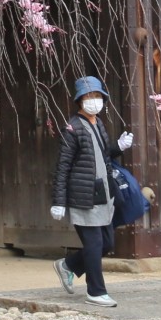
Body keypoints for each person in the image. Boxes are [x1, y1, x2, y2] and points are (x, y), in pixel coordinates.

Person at [49, 74, 134, 307]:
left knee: (107, 243)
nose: (94, 100)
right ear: (79, 100)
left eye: (97, 96)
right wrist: (58, 201)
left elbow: (102, 154)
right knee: (95, 244)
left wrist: (119, 146)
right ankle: (95, 292)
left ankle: (69, 265)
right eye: (88, 96)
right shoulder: (73, 128)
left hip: (103, 193)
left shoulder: (98, 123)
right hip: (83, 195)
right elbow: (63, 165)